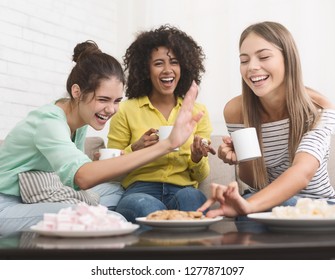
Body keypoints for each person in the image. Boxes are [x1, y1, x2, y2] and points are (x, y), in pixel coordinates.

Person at [0, 40, 203, 235]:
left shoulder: (77, 122)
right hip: (8, 202)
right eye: (103, 99)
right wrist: (167, 144)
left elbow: (73, 180)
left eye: (116, 101)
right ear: (77, 91)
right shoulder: (49, 121)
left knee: (116, 191)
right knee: (105, 219)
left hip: (40, 193)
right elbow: (82, 177)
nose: (111, 109)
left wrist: (104, 162)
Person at [198, 21, 335, 218]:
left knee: (274, 204)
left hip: (316, 206)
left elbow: (303, 172)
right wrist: (240, 159)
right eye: (244, 60)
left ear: (288, 59)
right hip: (263, 204)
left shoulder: (318, 108)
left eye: (263, 57)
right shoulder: (236, 110)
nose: (252, 67)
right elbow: (255, 181)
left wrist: (248, 206)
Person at [107, 25, 216, 223]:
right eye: (158, 63)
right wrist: (135, 148)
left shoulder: (197, 112)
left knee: (193, 199)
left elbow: (200, 176)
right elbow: (109, 168)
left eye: (174, 62)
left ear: (183, 67)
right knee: (145, 206)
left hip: (183, 188)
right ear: (145, 70)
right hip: (140, 189)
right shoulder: (125, 110)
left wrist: (197, 156)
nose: (168, 70)